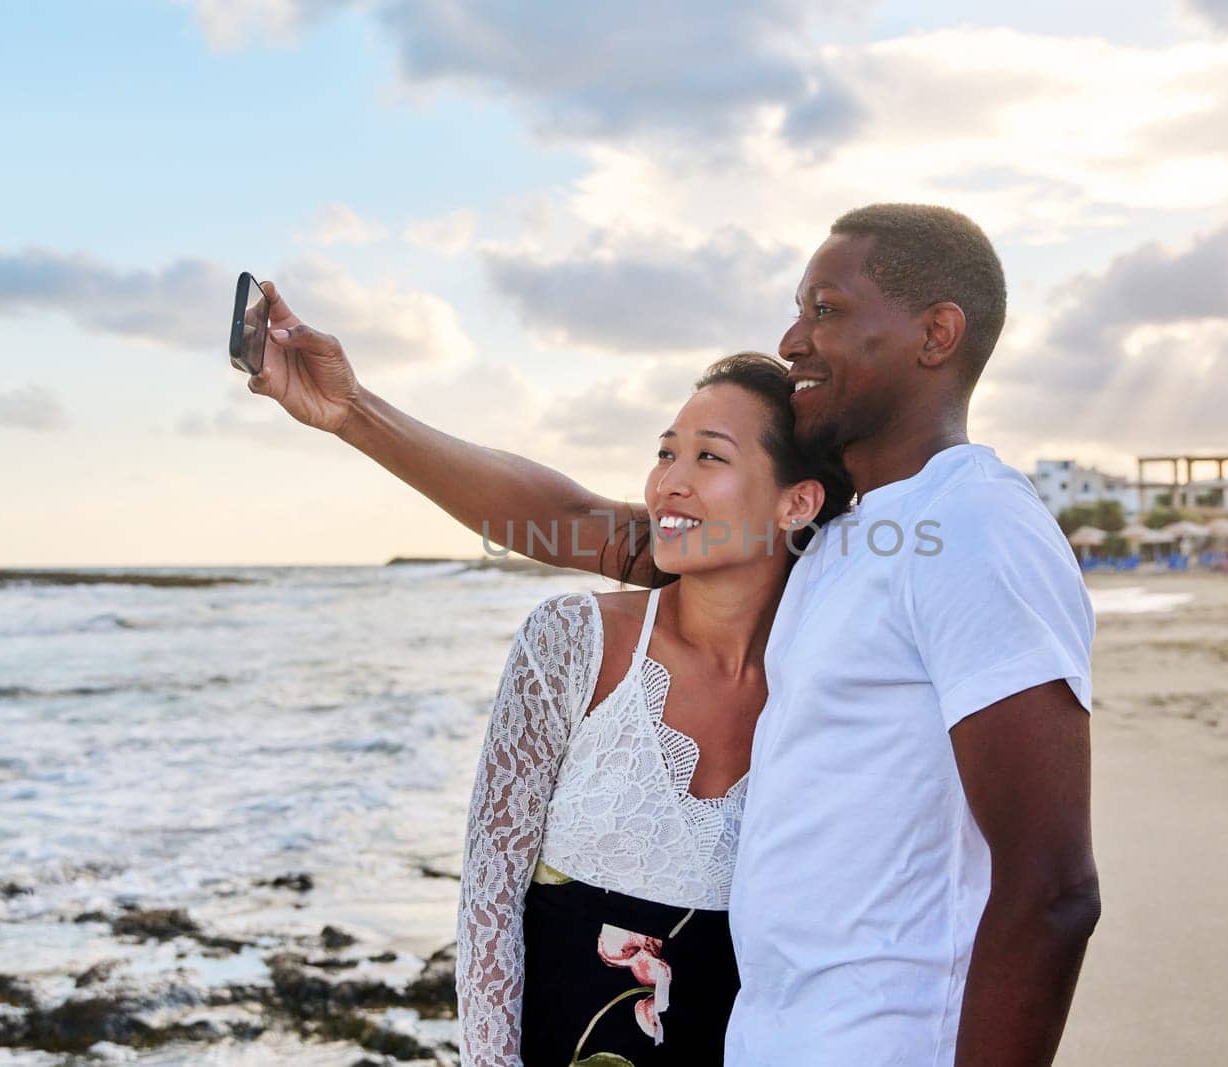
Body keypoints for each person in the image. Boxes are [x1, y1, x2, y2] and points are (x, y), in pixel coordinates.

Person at [247, 202, 1099, 1066]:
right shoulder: (840, 543)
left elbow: (1053, 889)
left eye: (826, 310)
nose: (794, 336)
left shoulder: (973, 525)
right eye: (801, 308)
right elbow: (566, 518)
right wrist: (352, 410)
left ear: (936, 333)